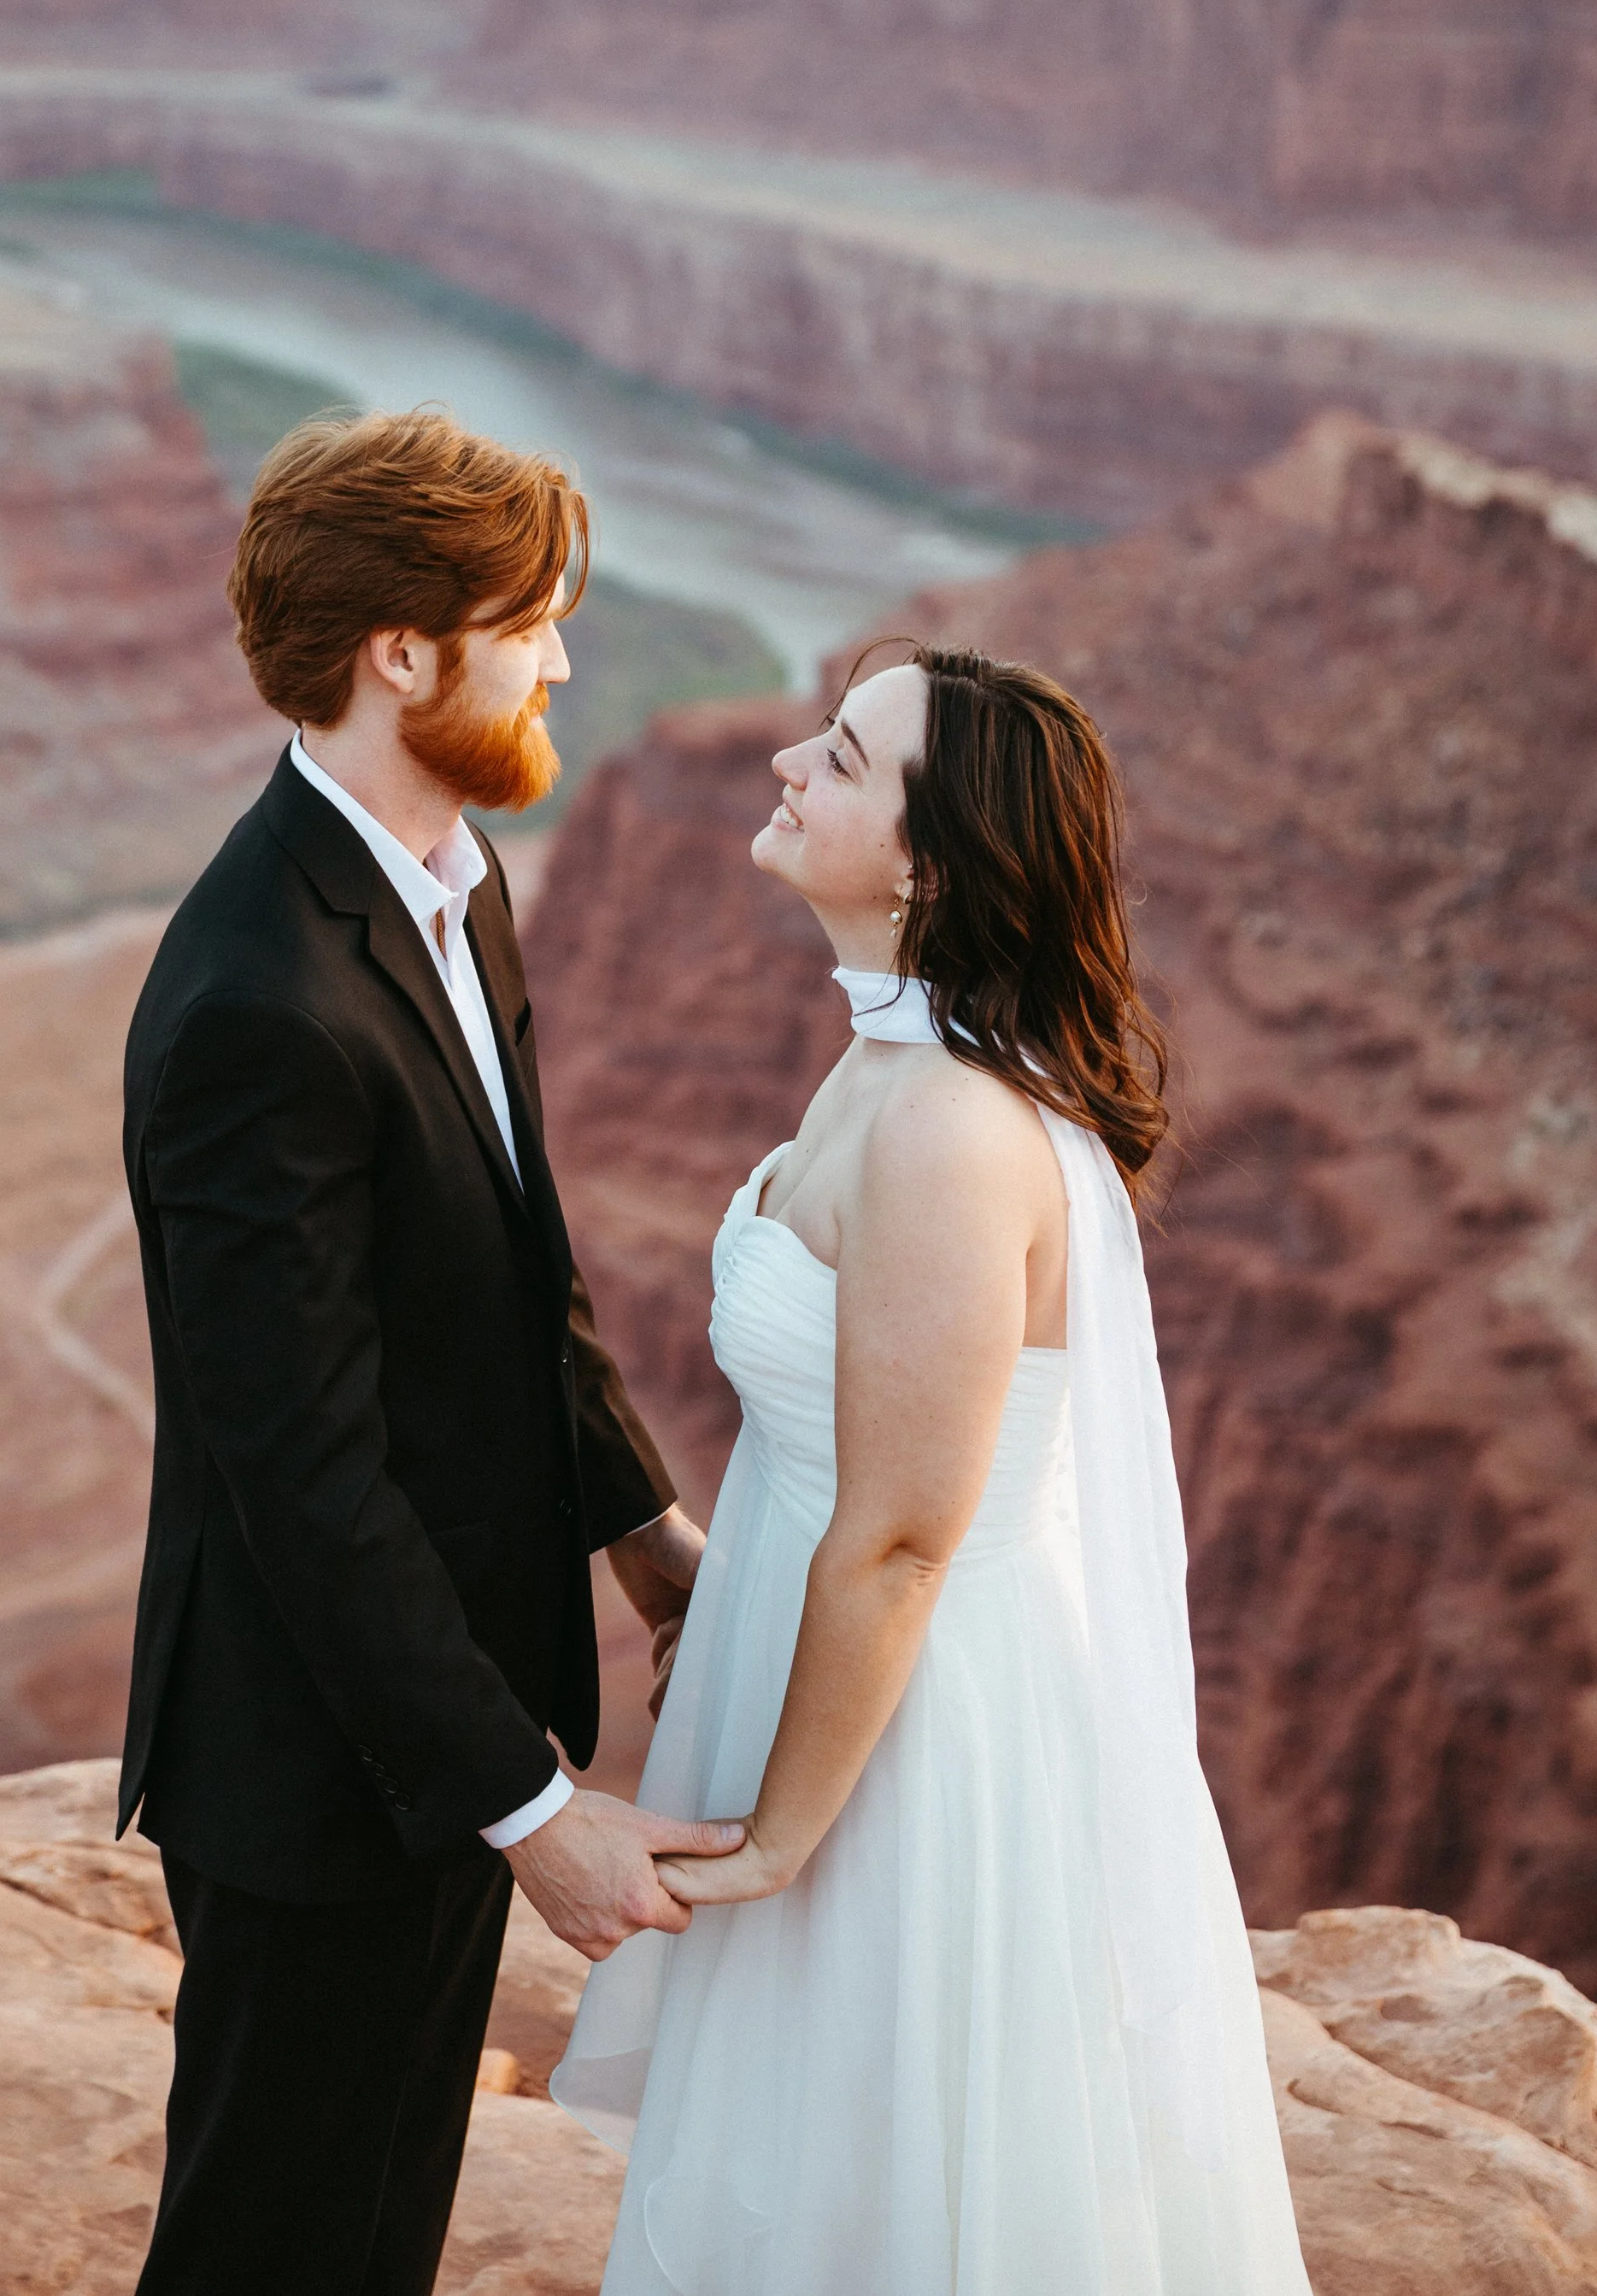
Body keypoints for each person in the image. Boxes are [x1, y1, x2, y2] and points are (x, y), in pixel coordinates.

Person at [554, 644, 1314, 2294]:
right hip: (838, 1688)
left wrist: (777, 1844)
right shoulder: (881, 1064)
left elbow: (902, 1532)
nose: (784, 767)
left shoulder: (952, 1129)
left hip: (916, 1748)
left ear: (929, 861)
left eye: (838, 756)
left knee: (898, 2194)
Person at [120, 406, 742, 2296]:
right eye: (533, 618)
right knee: (272, 2254)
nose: (560, 657)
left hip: (432, 1725)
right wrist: (533, 1812)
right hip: (318, 1770)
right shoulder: (260, 997)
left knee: (372, 2245)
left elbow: (513, 1277)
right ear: (405, 650)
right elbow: (293, 1469)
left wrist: (641, 1531)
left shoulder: (451, 889)